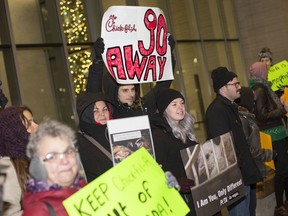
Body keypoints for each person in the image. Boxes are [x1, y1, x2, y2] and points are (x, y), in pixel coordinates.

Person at [205, 67, 262, 216]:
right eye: (235, 84)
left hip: (243, 173)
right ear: (223, 87)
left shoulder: (231, 107)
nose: (239, 88)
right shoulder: (216, 110)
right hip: (234, 176)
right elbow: (223, 146)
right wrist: (239, 165)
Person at [86, 35, 176, 119]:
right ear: (114, 92)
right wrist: (98, 61)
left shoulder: (143, 106)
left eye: (133, 89)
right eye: (125, 90)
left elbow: (162, 87)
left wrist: (167, 56)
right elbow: (93, 94)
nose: (131, 94)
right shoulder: (108, 113)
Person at [22, 119, 87, 216]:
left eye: (68, 152)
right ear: (37, 167)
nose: (65, 161)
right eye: (52, 156)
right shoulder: (37, 212)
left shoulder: (86, 189)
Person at [150, 88, 198, 216]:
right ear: (165, 109)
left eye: (182, 103)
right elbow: (156, 172)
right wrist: (176, 183)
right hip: (179, 202)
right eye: (174, 104)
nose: (180, 107)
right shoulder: (158, 135)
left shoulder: (187, 129)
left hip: (198, 196)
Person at [249, 62, 288, 216]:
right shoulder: (259, 89)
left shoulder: (264, 87)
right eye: (265, 70)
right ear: (261, 72)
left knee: (284, 169)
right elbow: (262, 116)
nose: (268, 71)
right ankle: (279, 206)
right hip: (273, 135)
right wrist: (282, 111)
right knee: (283, 170)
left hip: (279, 133)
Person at [235, 87, 274, 216]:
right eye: (252, 98)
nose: (254, 102)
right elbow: (251, 150)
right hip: (246, 171)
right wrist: (270, 154)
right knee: (247, 209)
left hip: (250, 170)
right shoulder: (243, 120)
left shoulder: (247, 117)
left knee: (251, 207)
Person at [0, 105, 38, 216]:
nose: (37, 126)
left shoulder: (35, 159)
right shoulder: (7, 168)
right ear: (14, 133)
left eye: (33, 121)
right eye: (28, 124)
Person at [76, 91, 113, 182]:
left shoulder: (119, 131)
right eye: (95, 111)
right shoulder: (80, 143)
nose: (102, 114)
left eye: (105, 109)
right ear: (86, 114)